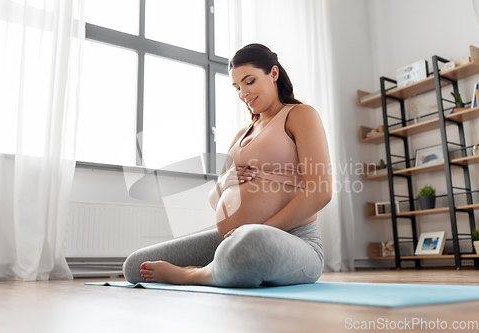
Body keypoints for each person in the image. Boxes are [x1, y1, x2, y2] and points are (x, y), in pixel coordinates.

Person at [122, 43, 332, 288]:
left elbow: (320, 192)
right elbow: (215, 201)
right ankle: (222, 268)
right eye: (237, 87)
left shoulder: (299, 115)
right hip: (232, 240)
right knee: (136, 265)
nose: (243, 93)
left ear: (273, 74)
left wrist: (257, 230)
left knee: (249, 244)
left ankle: (193, 275)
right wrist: (224, 183)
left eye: (250, 81)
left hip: (292, 240)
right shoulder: (241, 134)